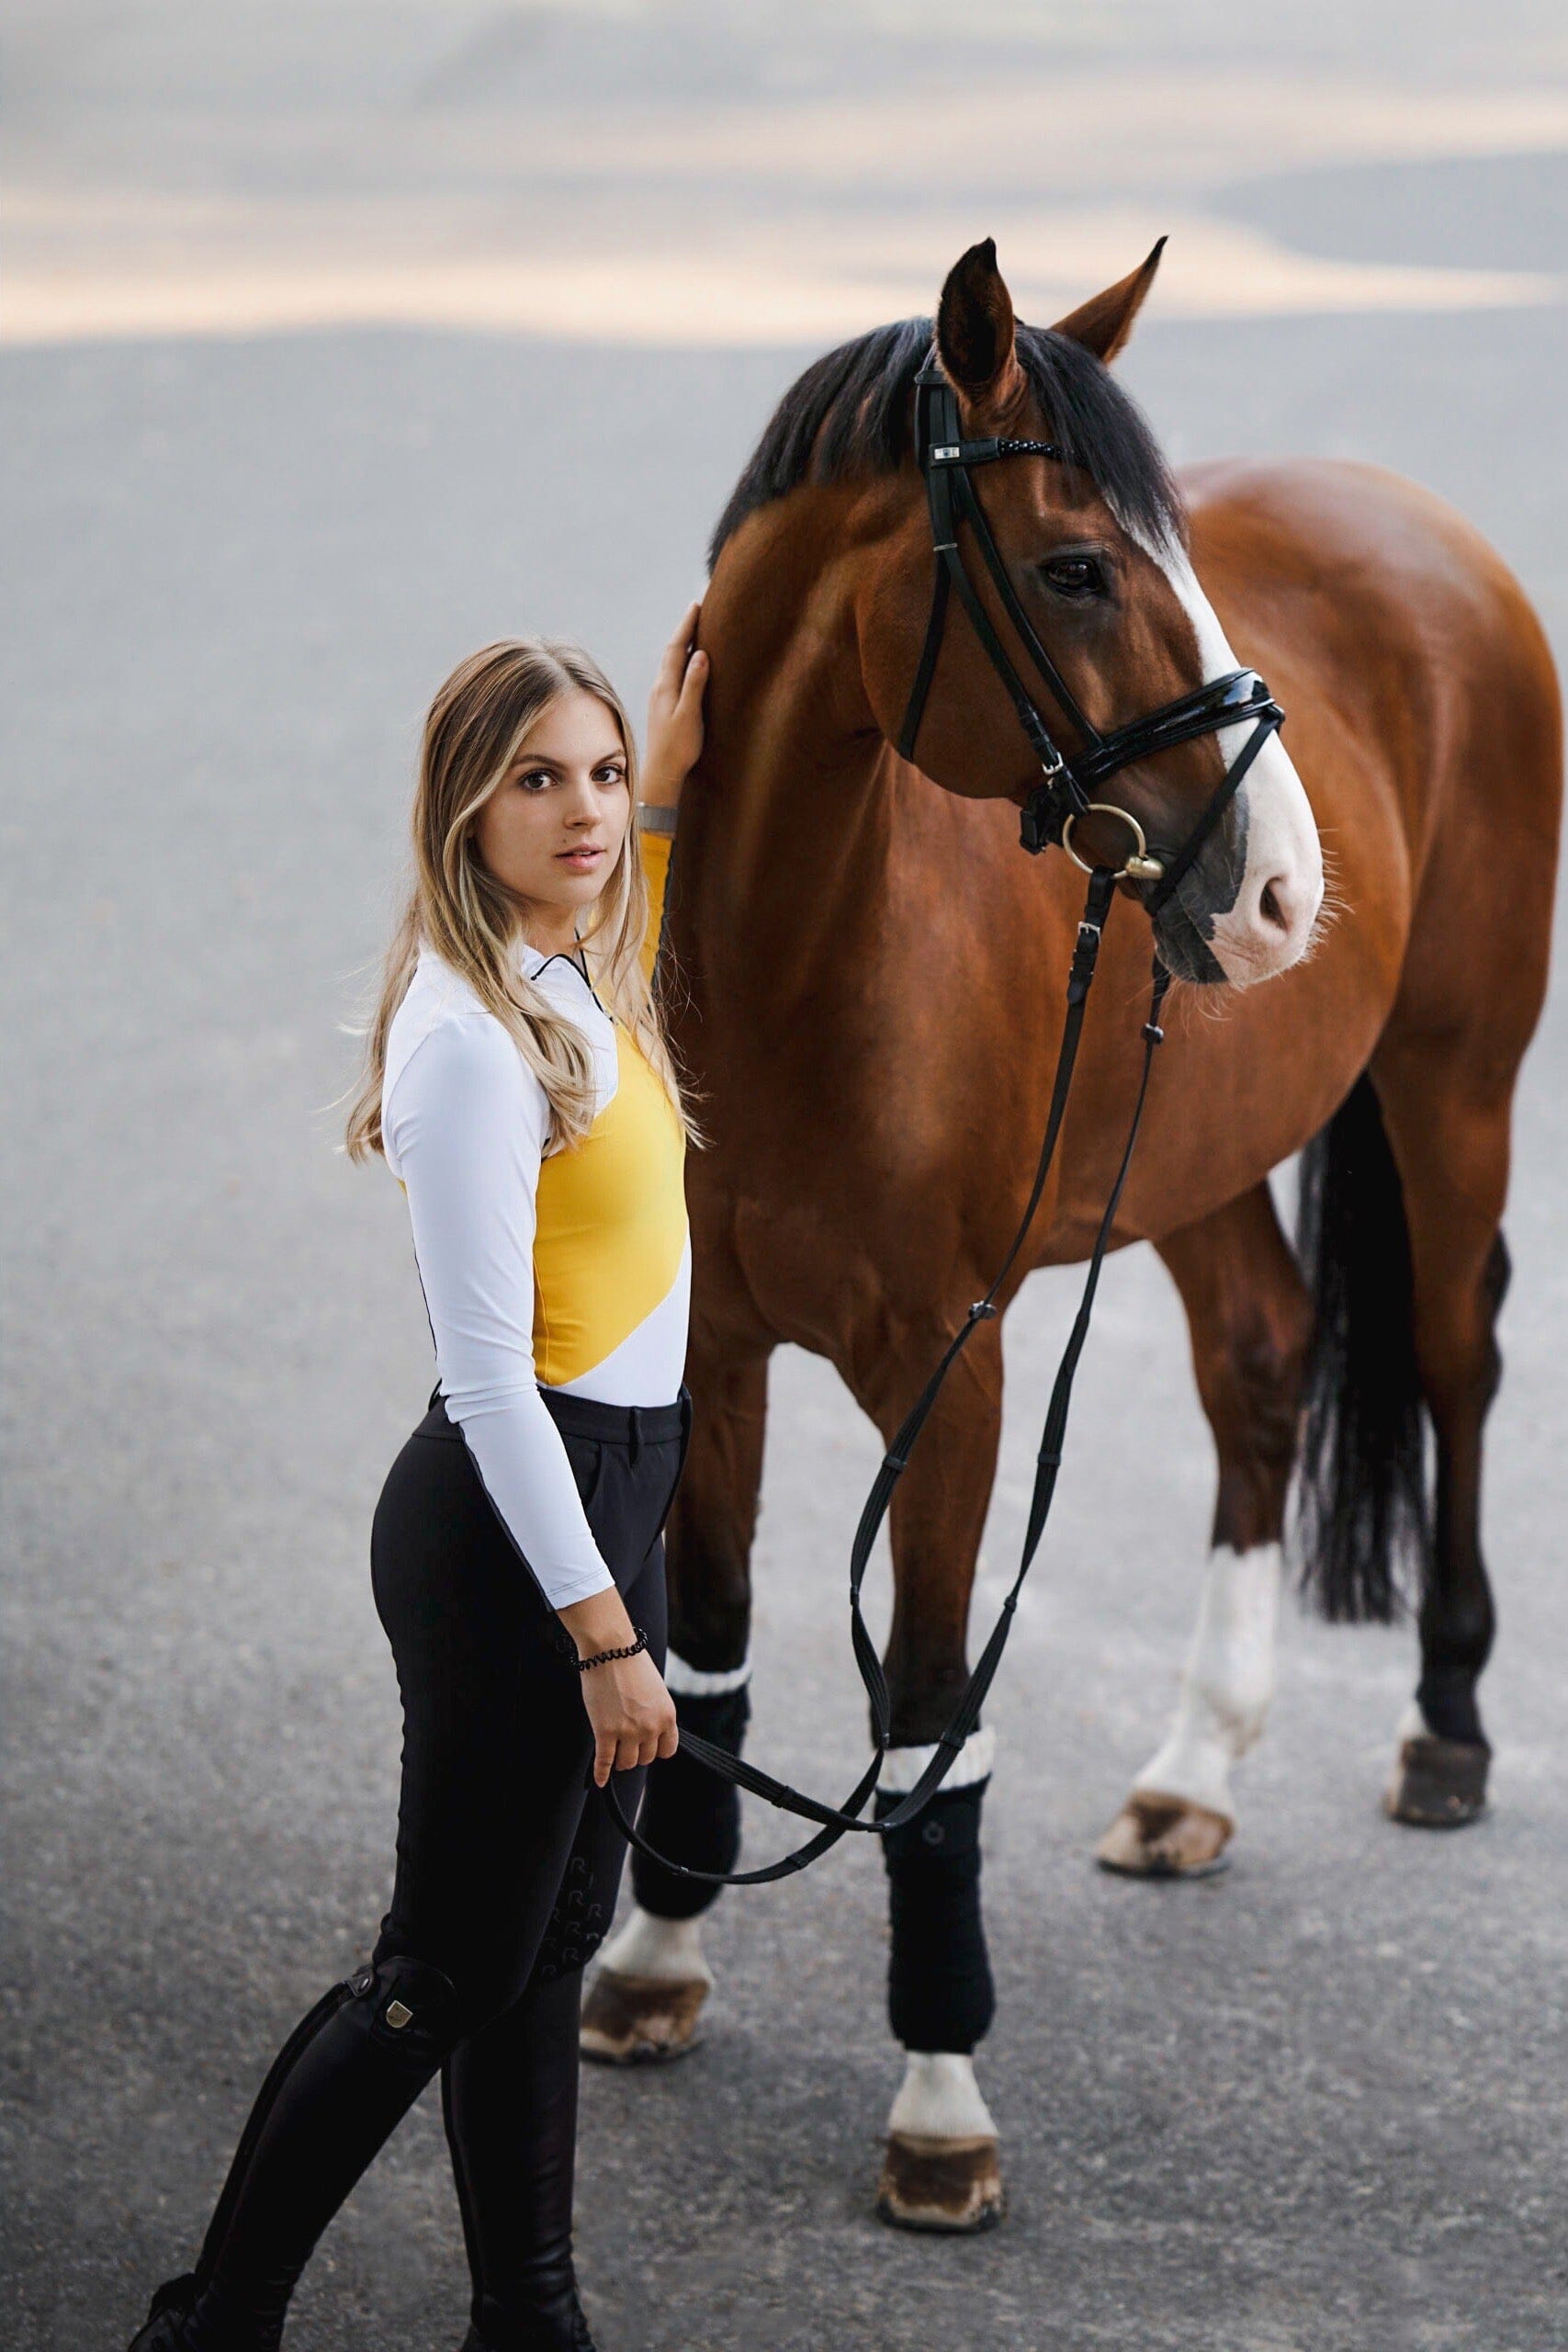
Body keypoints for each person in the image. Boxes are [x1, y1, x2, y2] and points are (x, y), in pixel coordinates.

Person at [123, 610, 710, 2352]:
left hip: (616, 1506)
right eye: (539, 781)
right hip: (519, 1529)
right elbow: (489, 1383)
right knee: (440, 1973)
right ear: (466, 809)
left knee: (547, 1950)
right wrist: (603, 1634)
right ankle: (211, 2323)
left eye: (598, 775)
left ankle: (529, 2317)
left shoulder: (581, 971)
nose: (584, 813)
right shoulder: (470, 1041)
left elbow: (639, 896)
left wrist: (661, 771)